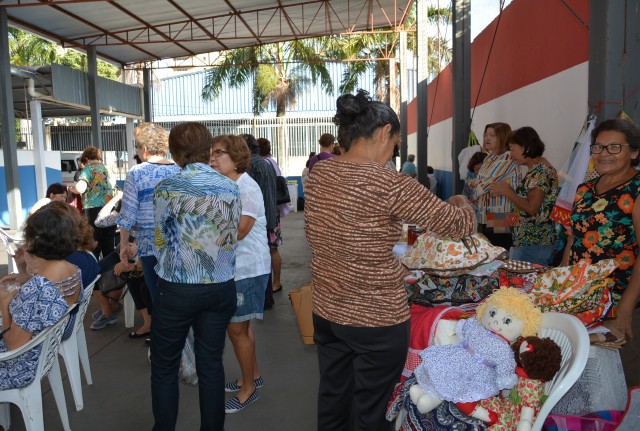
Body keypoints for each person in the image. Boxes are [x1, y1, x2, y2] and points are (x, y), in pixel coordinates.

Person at [304, 89, 476, 431]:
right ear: (385, 132)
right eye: (395, 143)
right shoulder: (389, 182)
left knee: (333, 398)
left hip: (327, 310)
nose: (393, 152)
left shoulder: (320, 173)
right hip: (376, 319)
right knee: (372, 410)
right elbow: (458, 225)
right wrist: (461, 201)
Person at [151, 122, 240, 430]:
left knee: (164, 366)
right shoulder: (230, 186)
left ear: (175, 153)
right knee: (211, 364)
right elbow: (230, 236)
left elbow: (160, 239)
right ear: (208, 149)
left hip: (177, 289)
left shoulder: (166, 188)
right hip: (221, 287)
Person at [561, 118, 640, 388]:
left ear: (634, 152)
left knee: (620, 377)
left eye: (614, 147)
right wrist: (560, 285)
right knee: (585, 375)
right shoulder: (584, 190)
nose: (603, 154)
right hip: (582, 299)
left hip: (620, 300)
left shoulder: (636, 190)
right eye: (598, 147)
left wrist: (625, 307)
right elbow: (573, 242)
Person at [210, 135, 271, 413]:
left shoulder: (246, 187)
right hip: (236, 268)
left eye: (219, 153)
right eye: (211, 153)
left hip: (248, 268)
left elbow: (241, 231)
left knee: (236, 329)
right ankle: (252, 375)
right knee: (242, 328)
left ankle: (248, 389)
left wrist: (199, 237)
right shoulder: (228, 185)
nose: (213, 158)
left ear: (236, 158)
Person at [0, 204, 80, 390]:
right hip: (44, 353)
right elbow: (49, 296)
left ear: (34, 242)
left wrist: (4, 303)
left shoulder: (37, 289)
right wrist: (25, 274)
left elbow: (13, 345)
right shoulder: (73, 269)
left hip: (20, 367)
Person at [118, 122, 180, 302]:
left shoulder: (136, 173)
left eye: (137, 147)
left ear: (144, 148)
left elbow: (128, 214)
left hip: (149, 246)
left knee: (158, 299)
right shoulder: (179, 170)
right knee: (178, 297)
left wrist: (124, 244)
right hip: (178, 244)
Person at [490, 127, 559, 265]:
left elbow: (532, 208)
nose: (511, 154)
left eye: (512, 149)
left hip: (533, 242)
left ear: (526, 147)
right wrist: (509, 190)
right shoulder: (536, 169)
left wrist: (508, 192)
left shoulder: (540, 171)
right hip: (529, 241)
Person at [241, 134, 279, 306]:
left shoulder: (251, 166)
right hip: (270, 215)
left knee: (260, 258)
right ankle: (267, 297)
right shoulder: (267, 163)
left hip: (256, 219)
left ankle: (263, 298)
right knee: (268, 253)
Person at [472, 122, 521, 249]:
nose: (487, 138)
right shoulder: (489, 158)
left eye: (492, 135)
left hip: (501, 214)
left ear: (503, 138)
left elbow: (484, 184)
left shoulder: (508, 158)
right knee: (488, 251)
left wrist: (475, 187)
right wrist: (477, 185)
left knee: (499, 251)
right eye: (485, 135)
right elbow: (479, 182)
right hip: (485, 214)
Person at [72, 146, 117, 259]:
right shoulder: (108, 170)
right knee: (109, 247)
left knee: (93, 246)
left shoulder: (88, 169)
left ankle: (94, 269)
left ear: (86, 159)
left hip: (93, 211)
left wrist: (72, 189)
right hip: (110, 210)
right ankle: (110, 269)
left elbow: (80, 188)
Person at [257, 137, 288, 294]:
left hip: (268, 211)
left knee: (272, 249)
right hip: (273, 210)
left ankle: (276, 282)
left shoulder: (263, 164)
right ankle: (276, 282)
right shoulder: (271, 162)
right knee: (273, 248)